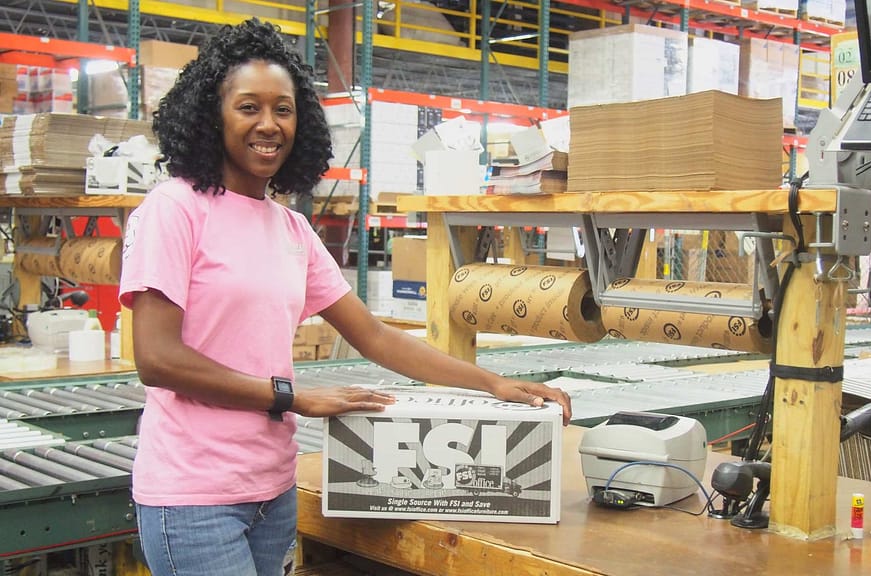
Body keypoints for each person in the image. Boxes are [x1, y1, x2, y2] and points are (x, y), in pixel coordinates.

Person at [119, 18, 571, 576]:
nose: (269, 125)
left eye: (283, 110)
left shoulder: (290, 229)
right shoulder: (175, 209)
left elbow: (375, 336)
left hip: (273, 489)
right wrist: (292, 397)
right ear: (213, 114)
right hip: (193, 495)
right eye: (248, 107)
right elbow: (157, 359)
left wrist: (493, 383)